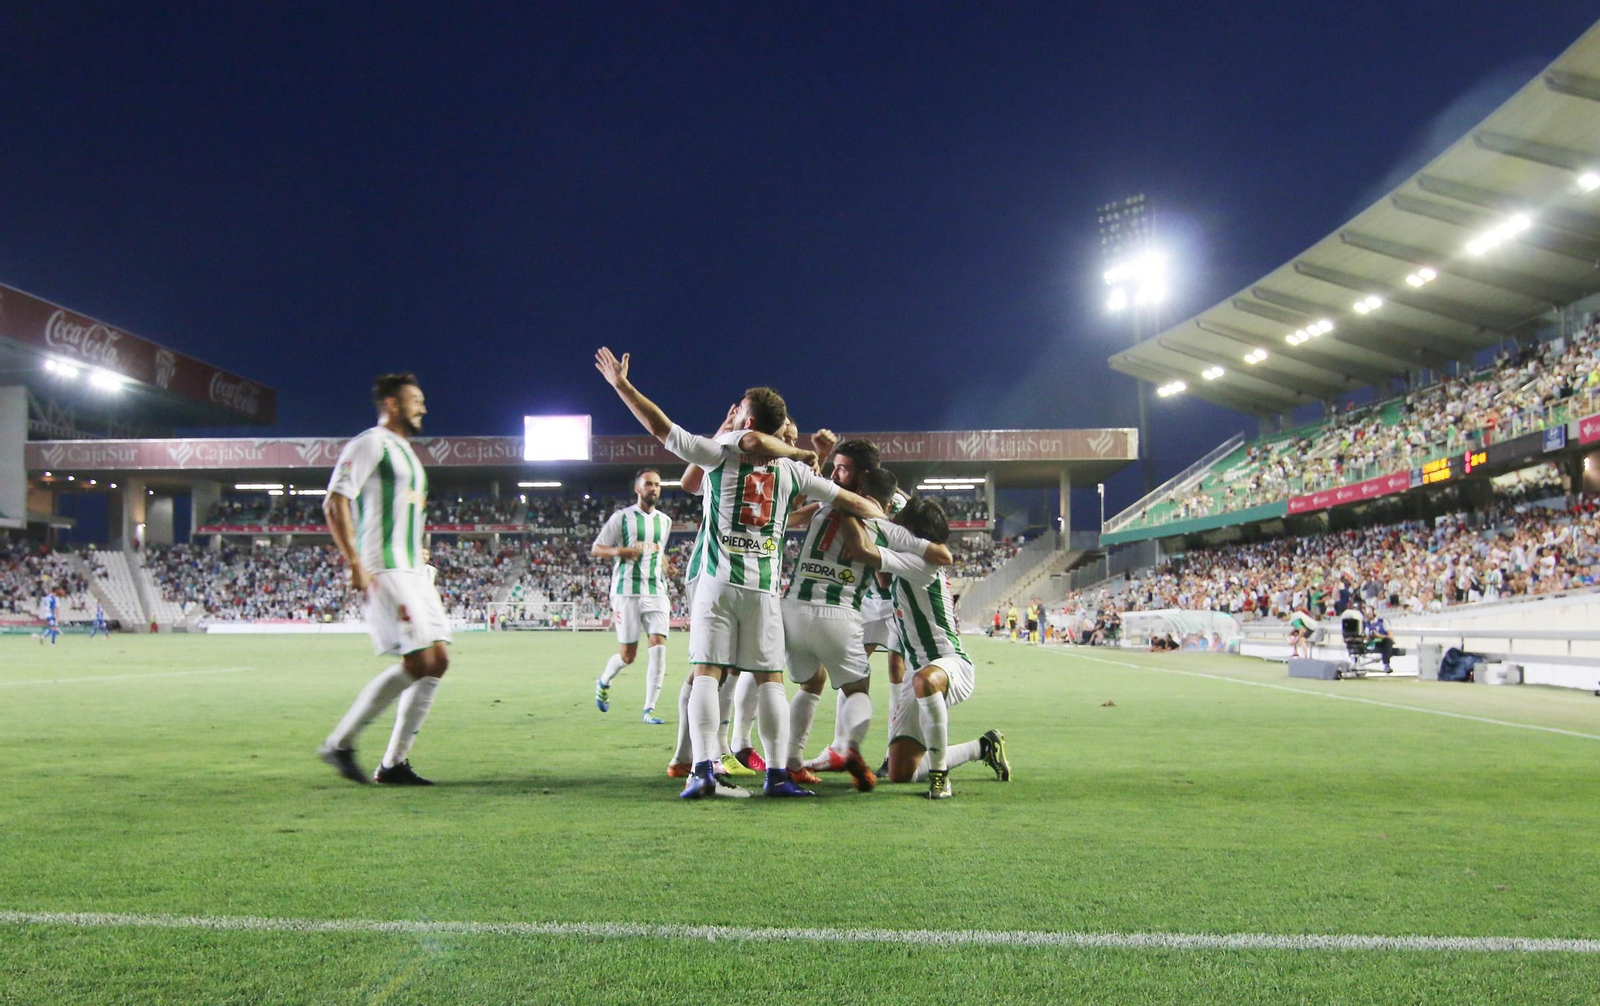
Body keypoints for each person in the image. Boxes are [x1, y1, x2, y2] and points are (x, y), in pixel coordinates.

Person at [595, 347, 885, 799]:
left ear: (747, 422)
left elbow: (659, 426)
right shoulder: (794, 473)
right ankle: (777, 775)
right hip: (762, 588)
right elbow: (850, 501)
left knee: (706, 673)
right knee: (770, 679)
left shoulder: (718, 454)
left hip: (716, 581)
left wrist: (622, 386)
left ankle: (702, 770)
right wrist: (884, 512)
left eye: (739, 413)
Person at [782, 461, 951, 792]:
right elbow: (941, 555)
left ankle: (789, 764)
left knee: (809, 683)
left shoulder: (822, 509)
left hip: (793, 610)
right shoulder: (884, 526)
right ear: (887, 504)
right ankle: (851, 749)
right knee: (857, 689)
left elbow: (794, 514)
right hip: (837, 613)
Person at [318, 373, 453, 786]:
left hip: (413, 569)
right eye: (415, 400)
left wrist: (417, 549)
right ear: (392, 404)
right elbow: (334, 501)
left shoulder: (408, 453)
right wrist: (354, 561)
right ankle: (339, 744)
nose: (423, 407)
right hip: (385, 567)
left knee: (437, 661)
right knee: (419, 661)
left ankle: (394, 764)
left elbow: (401, 513)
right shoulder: (370, 443)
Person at [839, 498, 1010, 800]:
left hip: (950, 664)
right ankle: (984, 747)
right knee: (901, 771)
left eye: (903, 525)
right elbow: (881, 572)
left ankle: (940, 778)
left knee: (924, 680)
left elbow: (864, 551)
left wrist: (842, 505)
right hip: (918, 672)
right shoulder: (910, 561)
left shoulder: (921, 565)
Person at [592, 468, 676, 724]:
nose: (654, 488)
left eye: (657, 484)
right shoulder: (622, 518)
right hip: (627, 592)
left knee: (659, 648)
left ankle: (649, 709)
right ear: (638, 489)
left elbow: (659, 550)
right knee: (628, 656)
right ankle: (604, 681)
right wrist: (621, 551)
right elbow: (597, 548)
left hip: (656, 591)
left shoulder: (665, 521)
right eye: (648, 484)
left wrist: (667, 566)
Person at [1363, 605, 1396, 672]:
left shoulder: (1382, 622)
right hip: (1371, 643)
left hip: (1382, 642)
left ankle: (1386, 665)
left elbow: (1391, 636)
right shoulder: (1365, 624)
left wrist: (1379, 635)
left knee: (1387, 641)